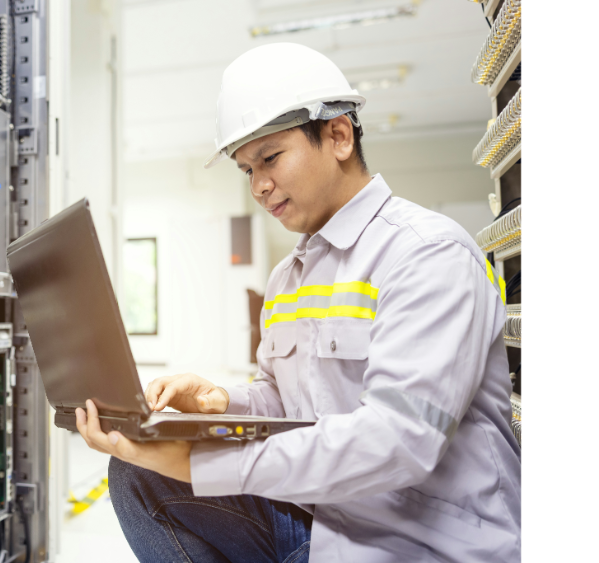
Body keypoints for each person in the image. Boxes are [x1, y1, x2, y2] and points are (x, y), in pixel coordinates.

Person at [74, 43, 521, 562]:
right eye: (247, 170)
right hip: (325, 521)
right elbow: (290, 402)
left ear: (337, 135)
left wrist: (200, 463)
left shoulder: (425, 254)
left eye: (270, 158)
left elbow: (399, 441)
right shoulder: (290, 276)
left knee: (172, 470)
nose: (260, 187)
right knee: (138, 474)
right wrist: (222, 402)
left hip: (419, 540)